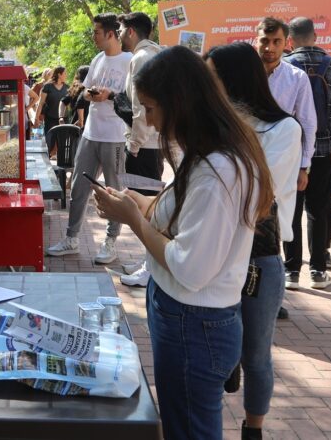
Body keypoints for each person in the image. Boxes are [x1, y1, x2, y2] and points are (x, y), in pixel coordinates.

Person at [93, 45, 274, 440]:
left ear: (180, 103)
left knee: (189, 430)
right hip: (184, 317)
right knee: (181, 424)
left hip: (195, 324)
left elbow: (189, 267)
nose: (151, 122)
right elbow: (180, 214)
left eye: (152, 109)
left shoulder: (219, 170)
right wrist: (137, 203)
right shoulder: (207, 154)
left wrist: (134, 220)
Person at [206, 43, 302, 440]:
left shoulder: (285, 129)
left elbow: (260, 192)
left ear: (233, 81)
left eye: (212, 78)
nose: (206, 87)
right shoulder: (212, 126)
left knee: (257, 354)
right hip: (216, 252)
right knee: (217, 347)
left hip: (258, 256)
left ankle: (253, 428)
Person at [45, 14, 131, 264]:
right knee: (79, 188)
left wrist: (110, 95)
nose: (93, 37)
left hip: (115, 136)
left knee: (114, 191)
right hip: (91, 133)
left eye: (96, 32)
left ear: (111, 34)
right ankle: (71, 239)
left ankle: (110, 242)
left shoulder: (129, 61)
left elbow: (133, 97)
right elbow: (85, 88)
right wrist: (91, 94)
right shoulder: (97, 59)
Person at [254, 17, 314, 311]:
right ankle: (243, 293)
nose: (270, 48)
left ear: (286, 43)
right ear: (256, 40)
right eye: (265, 41)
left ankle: (272, 300)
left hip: (281, 164)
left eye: (276, 42)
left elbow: (307, 122)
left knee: (274, 229)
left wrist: (304, 166)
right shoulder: (243, 75)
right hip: (244, 162)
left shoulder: (296, 78)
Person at [283, 17, 331, 289]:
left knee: (291, 210)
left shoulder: (285, 67)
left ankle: (292, 271)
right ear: (316, 36)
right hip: (324, 151)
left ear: (289, 40)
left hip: (290, 153)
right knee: (319, 211)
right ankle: (318, 271)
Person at [116, 11, 163, 288]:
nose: (119, 35)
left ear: (131, 31)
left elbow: (141, 108)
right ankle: (148, 260)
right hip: (150, 144)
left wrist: (134, 144)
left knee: (146, 207)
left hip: (144, 146)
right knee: (147, 203)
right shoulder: (155, 54)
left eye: (121, 30)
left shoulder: (141, 58)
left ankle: (150, 267)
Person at [39, 66, 68, 149]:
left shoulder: (67, 87)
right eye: (65, 73)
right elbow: (41, 103)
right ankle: (51, 154)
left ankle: (59, 157)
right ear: (59, 74)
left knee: (62, 140)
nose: (66, 75)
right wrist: (37, 118)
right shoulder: (47, 87)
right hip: (50, 118)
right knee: (50, 140)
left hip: (63, 118)